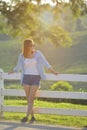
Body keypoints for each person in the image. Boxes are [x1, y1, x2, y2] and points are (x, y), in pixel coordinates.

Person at [9, 39, 58, 123]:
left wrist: (53, 71)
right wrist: (13, 71)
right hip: (26, 78)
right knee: (29, 99)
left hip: (36, 78)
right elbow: (18, 66)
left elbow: (45, 63)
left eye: (33, 45)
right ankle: (33, 117)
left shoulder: (38, 54)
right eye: (31, 45)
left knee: (31, 98)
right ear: (26, 47)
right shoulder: (22, 56)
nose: (33, 47)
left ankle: (26, 117)